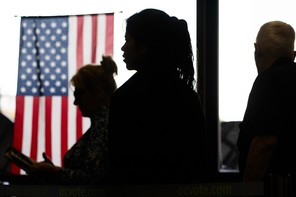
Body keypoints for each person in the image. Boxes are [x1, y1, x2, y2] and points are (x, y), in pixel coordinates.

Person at [107, 8, 207, 185]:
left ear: (144, 46)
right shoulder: (187, 96)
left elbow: (118, 164)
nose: (123, 47)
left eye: (127, 40)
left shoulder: (124, 98)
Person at [29, 55, 118, 185]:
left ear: (97, 92)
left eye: (78, 94)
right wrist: (56, 172)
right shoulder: (103, 126)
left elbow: (94, 179)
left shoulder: (103, 128)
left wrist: (55, 172)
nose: (75, 102)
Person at [237, 21, 296, 182]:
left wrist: (247, 190)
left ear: (257, 51)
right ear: (293, 55)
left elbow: (264, 144)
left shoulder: (268, 80)